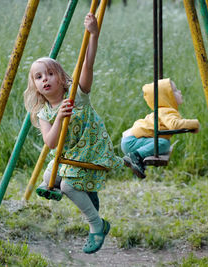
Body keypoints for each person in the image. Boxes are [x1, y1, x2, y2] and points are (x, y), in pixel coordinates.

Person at [23, 13, 122, 254]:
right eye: (39, 77)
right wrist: (59, 118)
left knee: (66, 186)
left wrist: (93, 35)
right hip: (69, 155)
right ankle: (86, 191)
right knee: (48, 180)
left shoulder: (77, 94)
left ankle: (97, 225)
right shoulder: (44, 113)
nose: (45, 79)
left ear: (61, 77)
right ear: (35, 86)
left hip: (92, 150)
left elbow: (88, 64)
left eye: (50, 73)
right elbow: (51, 142)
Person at [121, 78, 200, 178]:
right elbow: (175, 124)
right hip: (132, 141)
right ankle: (135, 157)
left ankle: (137, 162)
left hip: (131, 140)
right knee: (164, 143)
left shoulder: (163, 110)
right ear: (167, 96)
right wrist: (195, 123)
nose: (179, 91)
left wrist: (190, 128)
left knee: (163, 143)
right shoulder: (166, 111)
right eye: (175, 90)